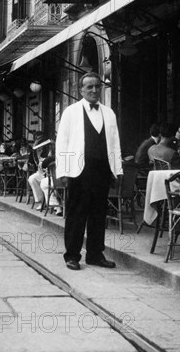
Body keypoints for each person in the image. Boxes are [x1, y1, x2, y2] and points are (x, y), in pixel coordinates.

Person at [55, 72, 123, 271]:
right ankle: (72, 255)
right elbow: (62, 143)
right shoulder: (71, 112)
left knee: (98, 214)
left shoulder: (109, 113)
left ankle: (95, 254)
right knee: (77, 214)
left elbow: (115, 143)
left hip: (102, 170)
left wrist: (117, 170)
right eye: (89, 87)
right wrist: (64, 172)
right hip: (79, 171)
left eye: (97, 86)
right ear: (81, 90)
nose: (94, 90)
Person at [28, 131, 52, 210]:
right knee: (32, 178)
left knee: (45, 182)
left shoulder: (48, 148)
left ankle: (50, 204)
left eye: (40, 139)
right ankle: (40, 201)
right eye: (36, 139)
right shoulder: (34, 149)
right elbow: (31, 161)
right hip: (41, 172)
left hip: (50, 172)